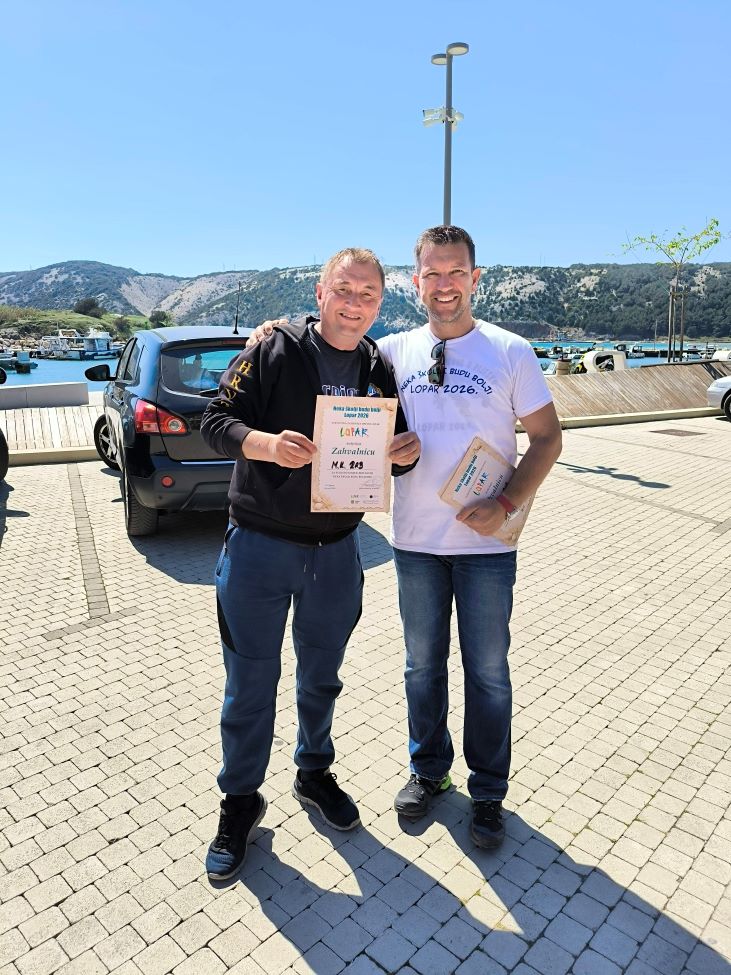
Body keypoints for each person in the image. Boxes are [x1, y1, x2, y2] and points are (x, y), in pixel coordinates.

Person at [250, 227, 562, 850]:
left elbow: (548, 438)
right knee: (422, 667)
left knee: (489, 672)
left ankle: (489, 792)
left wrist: (506, 503)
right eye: (432, 274)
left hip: (487, 549)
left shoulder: (511, 351)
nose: (444, 285)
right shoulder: (390, 353)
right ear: (416, 282)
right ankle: (429, 772)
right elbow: (328, 339)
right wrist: (270, 330)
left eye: (456, 272)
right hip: (415, 544)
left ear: (475, 278)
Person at [199, 247, 420, 880]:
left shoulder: (377, 366)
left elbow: (392, 443)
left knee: (322, 678)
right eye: (343, 290)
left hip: (338, 552)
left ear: (380, 302)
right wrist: (264, 444)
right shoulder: (274, 348)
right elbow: (214, 419)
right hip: (258, 548)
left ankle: (313, 772)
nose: (354, 304)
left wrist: (404, 453)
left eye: (368, 294)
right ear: (320, 294)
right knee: (250, 684)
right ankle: (240, 800)